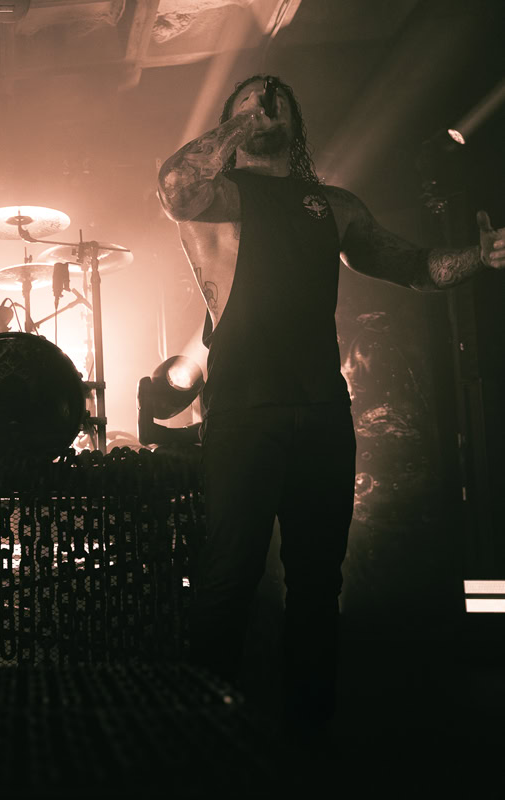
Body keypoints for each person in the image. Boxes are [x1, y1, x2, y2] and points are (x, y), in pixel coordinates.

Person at [156, 75, 505, 731]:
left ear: (296, 119)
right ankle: (202, 731)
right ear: (229, 122)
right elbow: (174, 186)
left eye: (276, 100)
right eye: (248, 100)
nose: (265, 104)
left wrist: (478, 258)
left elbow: (413, 266)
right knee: (229, 574)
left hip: (321, 411)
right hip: (244, 411)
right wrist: (241, 125)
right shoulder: (217, 196)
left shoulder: (334, 205)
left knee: (317, 582)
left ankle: (310, 729)